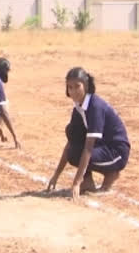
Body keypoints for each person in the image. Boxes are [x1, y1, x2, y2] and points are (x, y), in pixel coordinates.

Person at [46, 67, 130, 201]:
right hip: (103, 147)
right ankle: (88, 181)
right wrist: (56, 175)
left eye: (77, 86)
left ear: (85, 85)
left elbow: (89, 147)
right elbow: (71, 142)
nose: (73, 91)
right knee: (72, 151)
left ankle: (111, 173)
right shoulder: (79, 108)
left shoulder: (95, 106)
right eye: (70, 87)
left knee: (81, 152)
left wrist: (76, 182)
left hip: (117, 152)